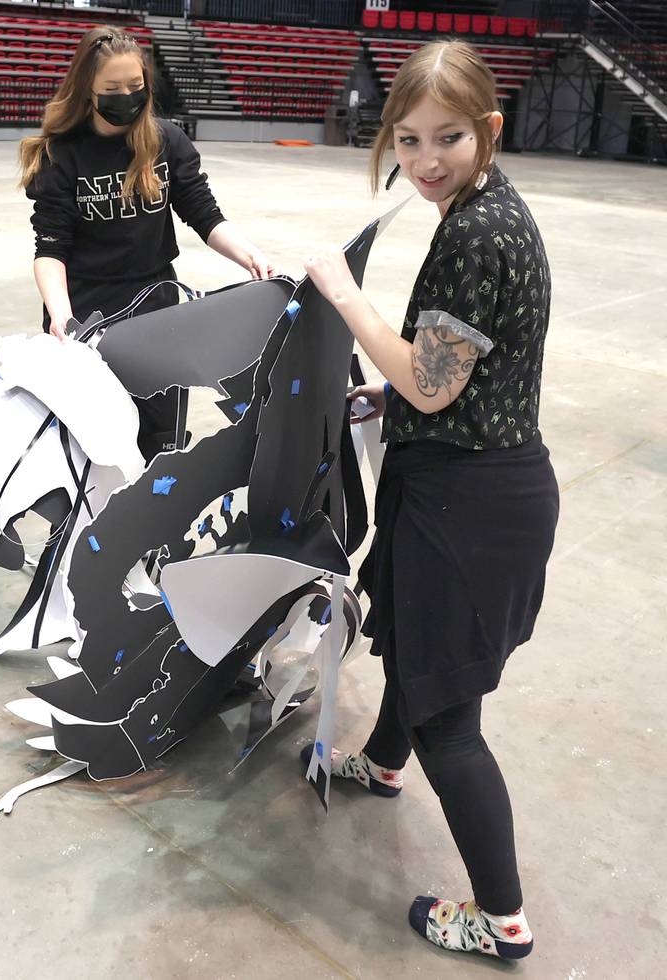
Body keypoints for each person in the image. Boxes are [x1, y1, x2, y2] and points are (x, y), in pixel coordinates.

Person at [302, 40, 559, 961]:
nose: (425, 160)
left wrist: (344, 299)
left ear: (488, 129)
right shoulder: (481, 209)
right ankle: (378, 764)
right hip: (462, 479)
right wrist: (393, 394)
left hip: (472, 505)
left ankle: (502, 919)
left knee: (450, 715)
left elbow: (432, 380)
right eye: (407, 140)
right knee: (410, 643)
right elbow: (449, 376)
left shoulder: (479, 229)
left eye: (448, 137)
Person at [18, 25, 273, 458]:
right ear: (87, 91)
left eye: (135, 86)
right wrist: (61, 316)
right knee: (90, 448)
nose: (127, 97)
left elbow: (204, 214)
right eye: (112, 88)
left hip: (155, 311)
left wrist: (249, 254)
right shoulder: (61, 155)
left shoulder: (165, 141)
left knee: (159, 442)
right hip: (86, 314)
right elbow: (50, 249)